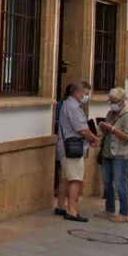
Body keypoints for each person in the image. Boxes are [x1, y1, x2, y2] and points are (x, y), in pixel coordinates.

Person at [55, 80, 98, 222]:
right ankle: (72, 210)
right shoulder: (74, 107)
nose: (86, 97)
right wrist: (94, 138)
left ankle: (61, 205)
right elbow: (82, 130)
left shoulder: (66, 104)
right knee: (75, 179)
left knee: (65, 177)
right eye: (85, 94)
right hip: (73, 149)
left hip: (64, 146)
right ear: (78, 93)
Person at [96, 87, 128, 223]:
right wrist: (103, 126)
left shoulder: (127, 117)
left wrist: (112, 129)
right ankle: (109, 209)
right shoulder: (110, 114)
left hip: (121, 154)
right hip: (108, 152)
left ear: (121, 102)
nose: (111, 104)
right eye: (110, 101)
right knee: (107, 182)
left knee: (120, 183)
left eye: (113, 101)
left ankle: (124, 213)